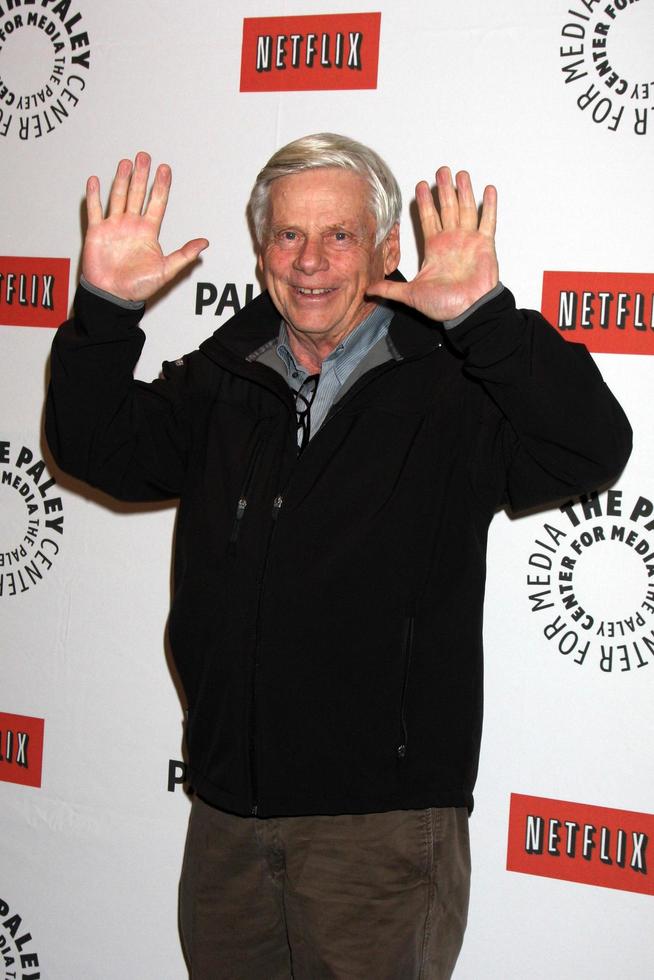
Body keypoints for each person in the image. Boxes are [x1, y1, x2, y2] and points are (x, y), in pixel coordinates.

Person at [46, 134, 631, 979]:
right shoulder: (224, 377)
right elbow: (93, 445)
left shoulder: (454, 388)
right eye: (288, 236)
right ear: (261, 253)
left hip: (380, 835)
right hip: (227, 822)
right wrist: (103, 310)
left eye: (341, 236)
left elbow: (593, 447)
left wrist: (487, 318)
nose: (311, 261)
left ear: (390, 250)